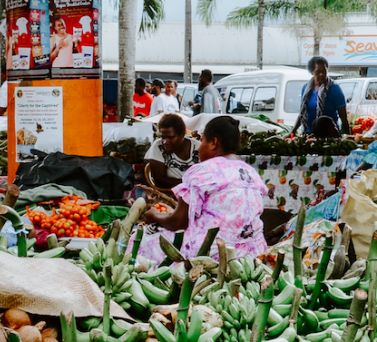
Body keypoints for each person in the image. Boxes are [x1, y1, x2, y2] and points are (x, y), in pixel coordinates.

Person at [137, 116, 267, 262]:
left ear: (213, 143)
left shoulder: (202, 171)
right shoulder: (251, 172)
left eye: (203, 140)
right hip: (253, 252)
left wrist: (154, 215)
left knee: (142, 236)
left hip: (211, 252)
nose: (199, 147)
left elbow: (178, 222)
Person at [289, 55, 350, 136]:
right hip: (309, 134)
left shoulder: (334, 88)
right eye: (318, 72)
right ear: (312, 71)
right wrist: (293, 131)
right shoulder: (306, 88)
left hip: (329, 135)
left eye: (324, 71)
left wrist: (347, 135)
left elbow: (343, 116)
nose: (321, 74)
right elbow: (303, 113)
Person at [143, 113, 201, 189]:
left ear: (182, 134)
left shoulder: (198, 147)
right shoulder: (158, 146)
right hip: (170, 192)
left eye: (171, 137)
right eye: (163, 137)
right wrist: (188, 185)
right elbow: (159, 179)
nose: (165, 142)